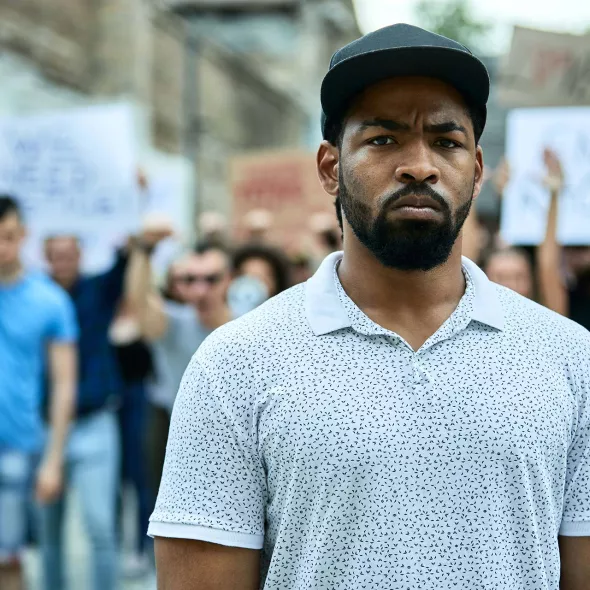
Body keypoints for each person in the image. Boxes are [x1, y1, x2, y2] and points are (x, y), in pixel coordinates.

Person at [150, 23, 590, 590]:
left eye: (446, 141)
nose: (420, 165)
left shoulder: (570, 358)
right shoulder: (235, 364)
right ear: (331, 168)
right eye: (383, 139)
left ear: (476, 172)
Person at [39, 236, 130, 590]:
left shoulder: (96, 291)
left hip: (95, 419)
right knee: (49, 529)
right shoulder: (39, 299)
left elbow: (122, 268)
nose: (63, 262)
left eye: (69, 255)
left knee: (100, 525)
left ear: (80, 255)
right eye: (56, 256)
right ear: (47, 258)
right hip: (47, 424)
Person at [0, 197, 78, 590]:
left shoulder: (50, 300)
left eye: (8, 237)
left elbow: (65, 383)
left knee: (8, 561)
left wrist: (53, 459)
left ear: (23, 234)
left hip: (16, 445)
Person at [126, 231, 234, 494]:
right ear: (178, 283)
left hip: (235, 445)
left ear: (229, 279)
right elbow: (138, 303)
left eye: (211, 279)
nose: (201, 290)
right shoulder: (173, 324)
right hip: (180, 442)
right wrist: (144, 248)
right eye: (190, 279)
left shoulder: (251, 323)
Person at [109, 300, 154, 577]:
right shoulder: (104, 309)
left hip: (140, 400)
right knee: (114, 480)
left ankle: (140, 547)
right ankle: (120, 546)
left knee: (140, 477)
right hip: (111, 403)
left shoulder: (147, 315)